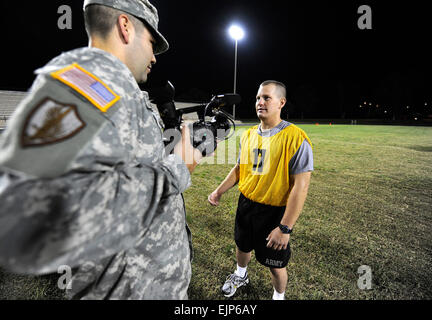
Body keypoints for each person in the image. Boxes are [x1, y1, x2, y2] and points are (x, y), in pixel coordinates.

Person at [0, 0, 203, 299]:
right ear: (125, 26)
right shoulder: (84, 88)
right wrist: (176, 170)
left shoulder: (118, 91)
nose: (154, 57)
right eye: (151, 42)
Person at [208, 80, 313, 300]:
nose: (260, 102)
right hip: (246, 204)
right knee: (242, 246)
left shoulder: (296, 139)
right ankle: (241, 275)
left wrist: (285, 228)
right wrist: (219, 191)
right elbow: (239, 169)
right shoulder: (248, 135)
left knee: (275, 265)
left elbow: (300, 188)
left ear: (281, 102)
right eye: (258, 98)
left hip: (274, 213)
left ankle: (278, 296)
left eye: (267, 98)